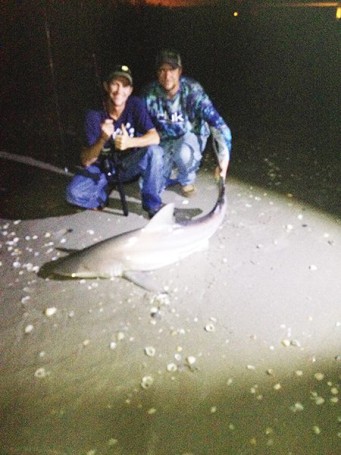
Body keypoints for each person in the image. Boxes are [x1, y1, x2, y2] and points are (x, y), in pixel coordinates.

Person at [66, 65, 164, 218]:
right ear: (106, 86)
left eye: (125, 85)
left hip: (127, 166)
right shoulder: (93, 114)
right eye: (115, 84)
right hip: (102, 169)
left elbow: (155, 138)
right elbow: (86, 160)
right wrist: (103, 138)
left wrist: (129, 142)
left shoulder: (135, 104)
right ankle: (101, 196)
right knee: (73, 194)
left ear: (130, 90)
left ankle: (153, 205)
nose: (119, 90)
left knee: (155, 152)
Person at [142, 49, 232, 196]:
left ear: (180, 71)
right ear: (157, 73)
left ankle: (186, 179)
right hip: (164, 139)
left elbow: (220, 126)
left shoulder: (193, 91)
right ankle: (166, 175)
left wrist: (224, 160)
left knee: (183, 154)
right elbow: (139, 124)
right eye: (162, 70)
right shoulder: (148, 93)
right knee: (147, 185)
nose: (167, 76)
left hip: (190, 135)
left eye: (171, 69)